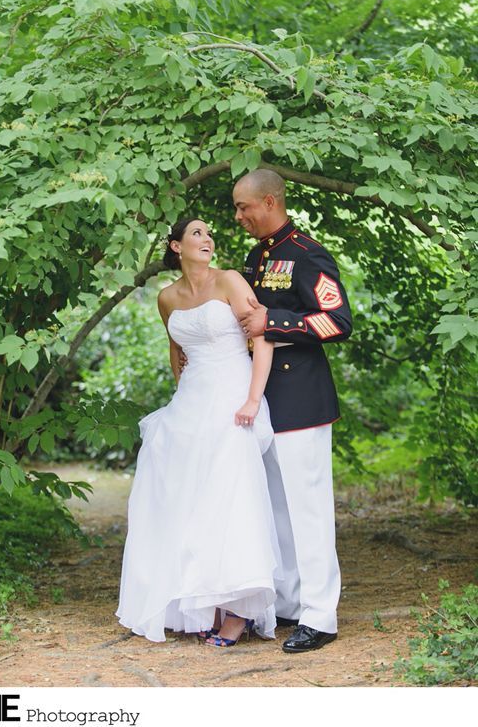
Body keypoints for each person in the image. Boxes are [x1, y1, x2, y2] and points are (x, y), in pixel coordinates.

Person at [116, 218, 283, 647]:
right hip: (191, 403)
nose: (207, 239)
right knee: (188, 497)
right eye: (197, 234)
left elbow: (262, 338)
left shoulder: (229, 281)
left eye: (210, 233)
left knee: (232, 496)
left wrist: (252, 398)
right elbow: (178, 352)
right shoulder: (167, 297)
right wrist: (182, 396)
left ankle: (239, 612)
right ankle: (201, 599)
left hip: (234, 397)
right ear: (176, 246)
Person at [232, 169, 353, 653]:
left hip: (301, 399)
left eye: (244, 207)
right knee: (278, 509)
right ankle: (291, 603)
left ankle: (321, 617)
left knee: (309, 511)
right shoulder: (257, 256)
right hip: (264, 400)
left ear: (270, 200)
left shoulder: (306, 254)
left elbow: (338, 321)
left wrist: (276, 319)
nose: (238, 216)